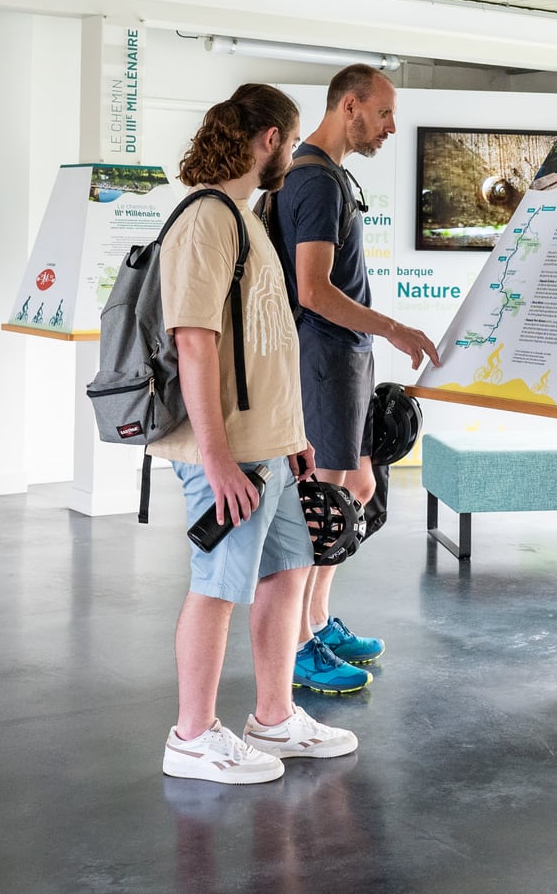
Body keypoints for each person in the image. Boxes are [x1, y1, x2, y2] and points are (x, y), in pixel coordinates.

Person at [158, 83, 359, 785]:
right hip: (230, 452)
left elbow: (266, 339)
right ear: (270, 138)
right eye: (292, 140)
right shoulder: (206, 219)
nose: (293, 154)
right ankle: (191, 737)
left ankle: (275, 717)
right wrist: (216, 459)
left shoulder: (243, 215)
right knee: (218, 584)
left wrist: (292, 432)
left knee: (286, 571)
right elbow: (193, 340)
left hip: (269, 446)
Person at [274, 65, 440, 694]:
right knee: (321, 508)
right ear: (350, 106)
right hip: (322, 358)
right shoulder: (315, 181)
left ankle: (316, 621)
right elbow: (313, 291)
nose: (391, 127)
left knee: (355, 491)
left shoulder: (329, 175)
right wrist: (394, 328)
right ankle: (298, 645)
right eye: (384, 113)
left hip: (344, 359)